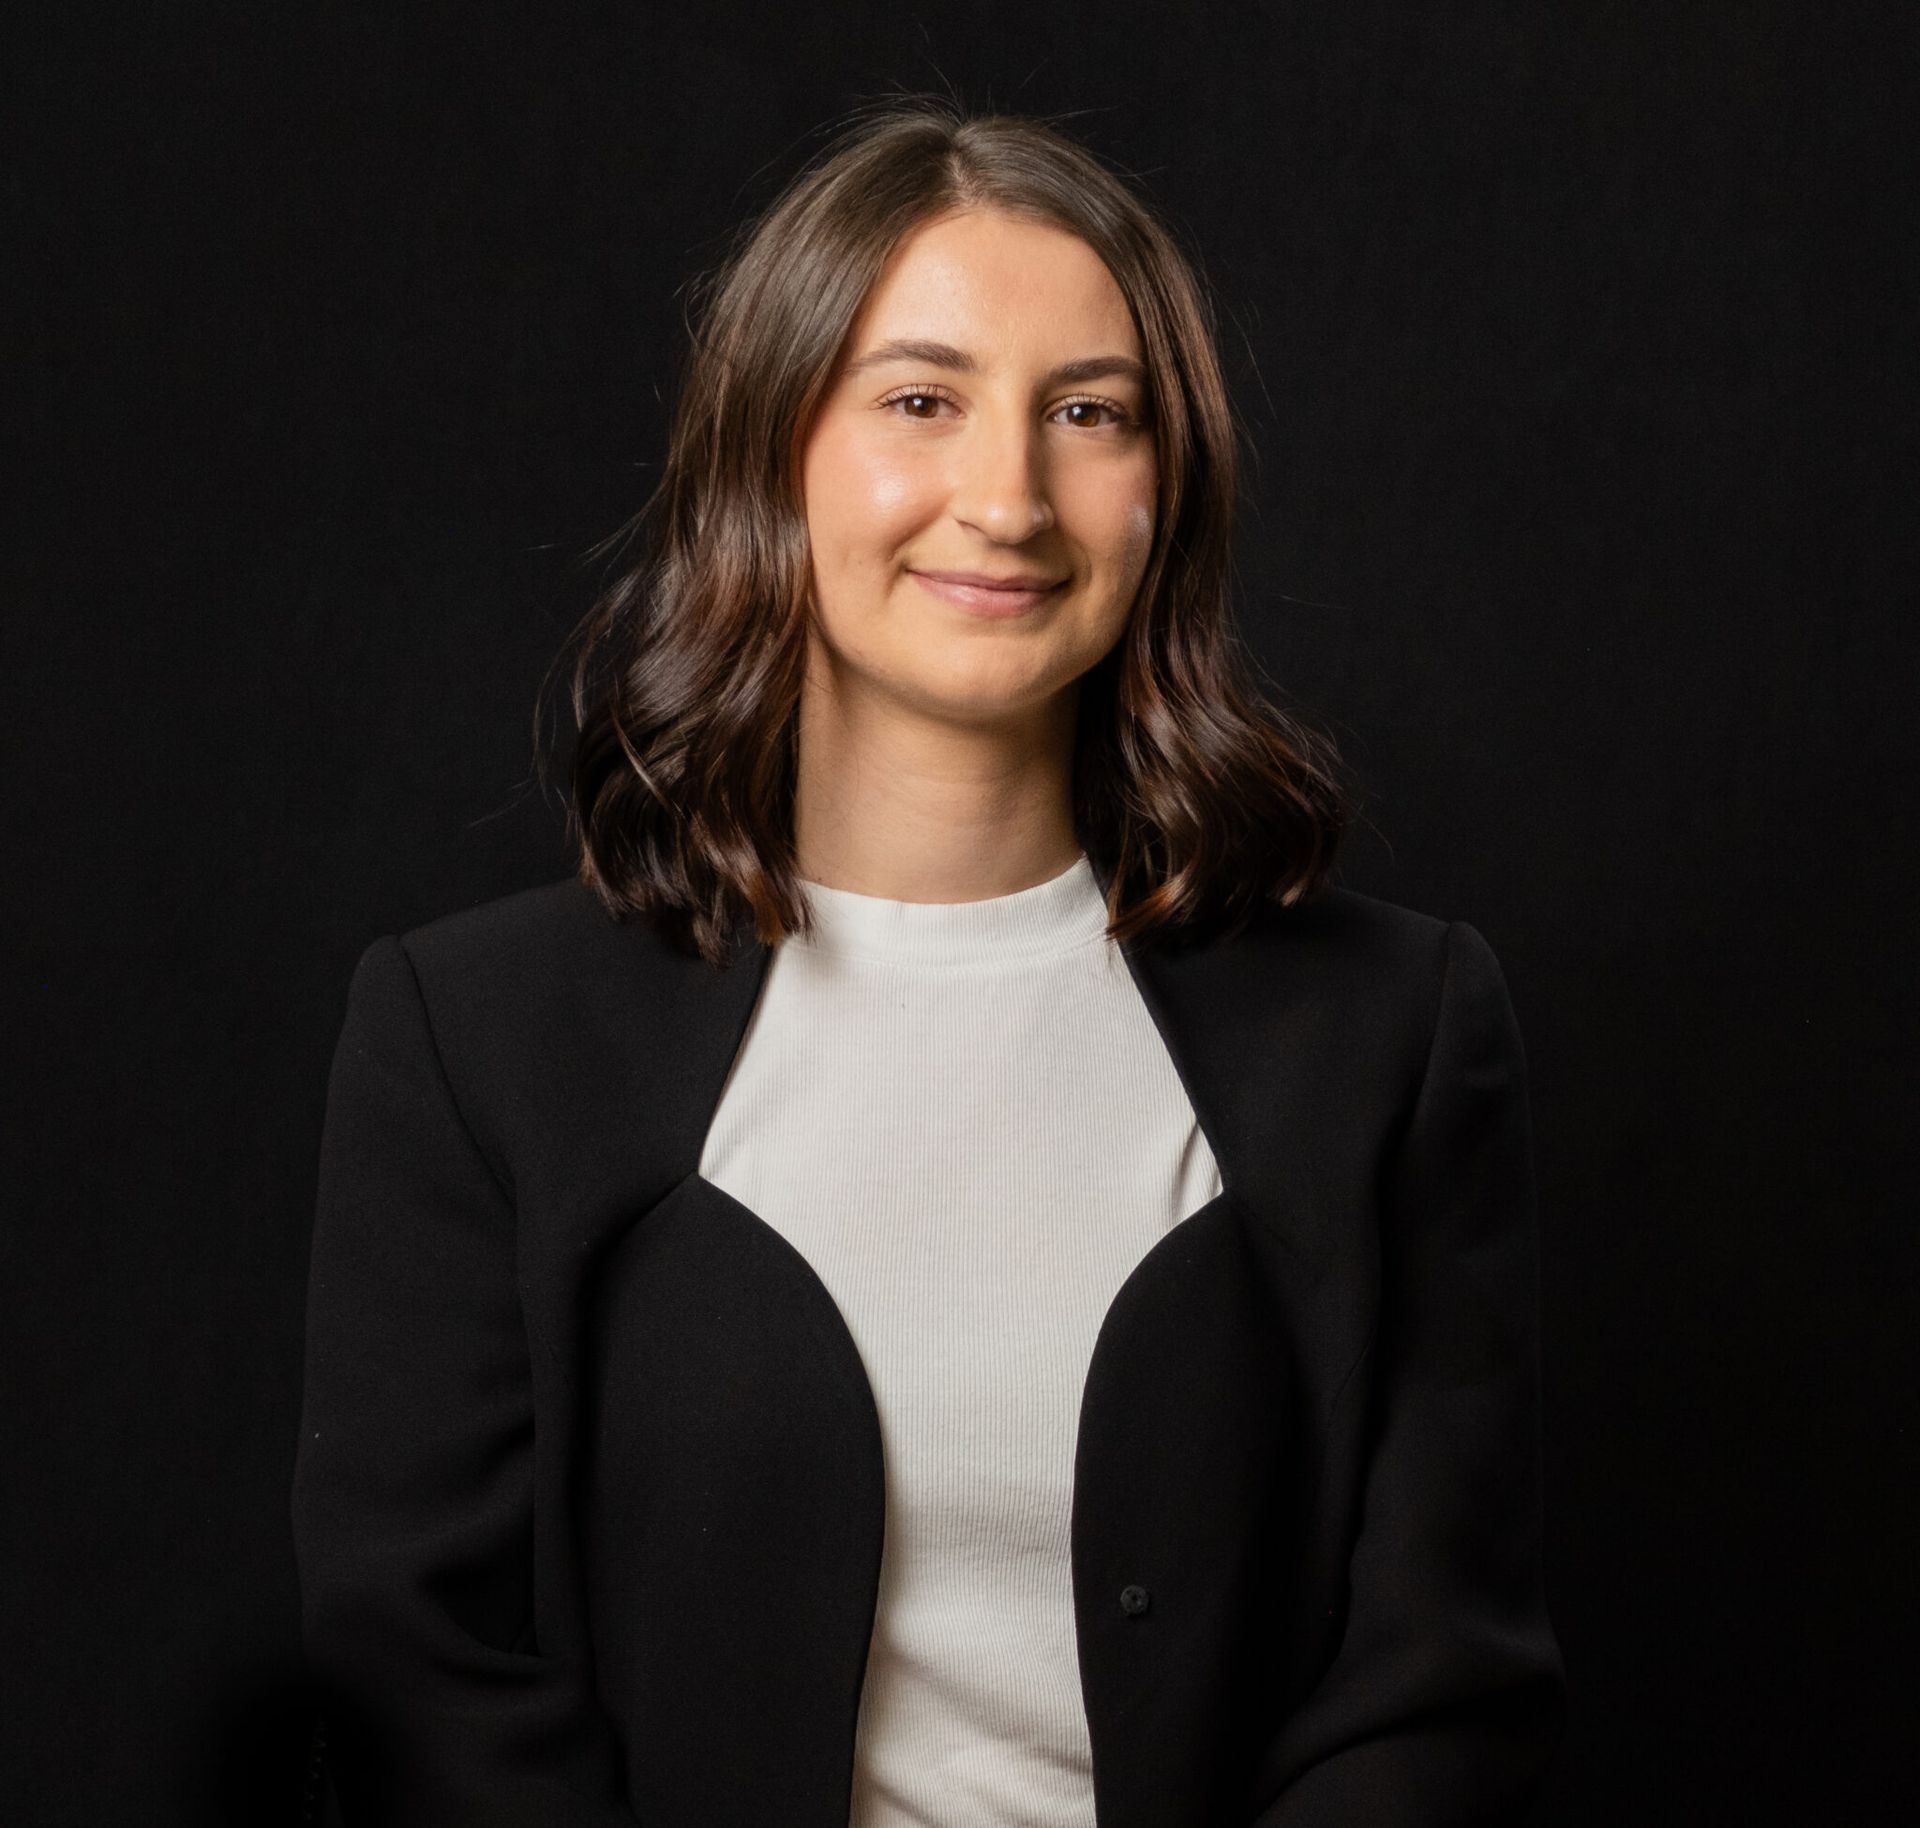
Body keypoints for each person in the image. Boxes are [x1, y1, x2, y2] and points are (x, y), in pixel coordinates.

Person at [292, 97, 1566, 1827]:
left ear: (1168, 486)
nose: (1009, 498)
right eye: (920, 401)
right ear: (771, 452)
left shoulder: (1391, 1032)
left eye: (1089, 413)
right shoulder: (477, 1039)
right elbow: (423, 1677)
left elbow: (1441, 1680)